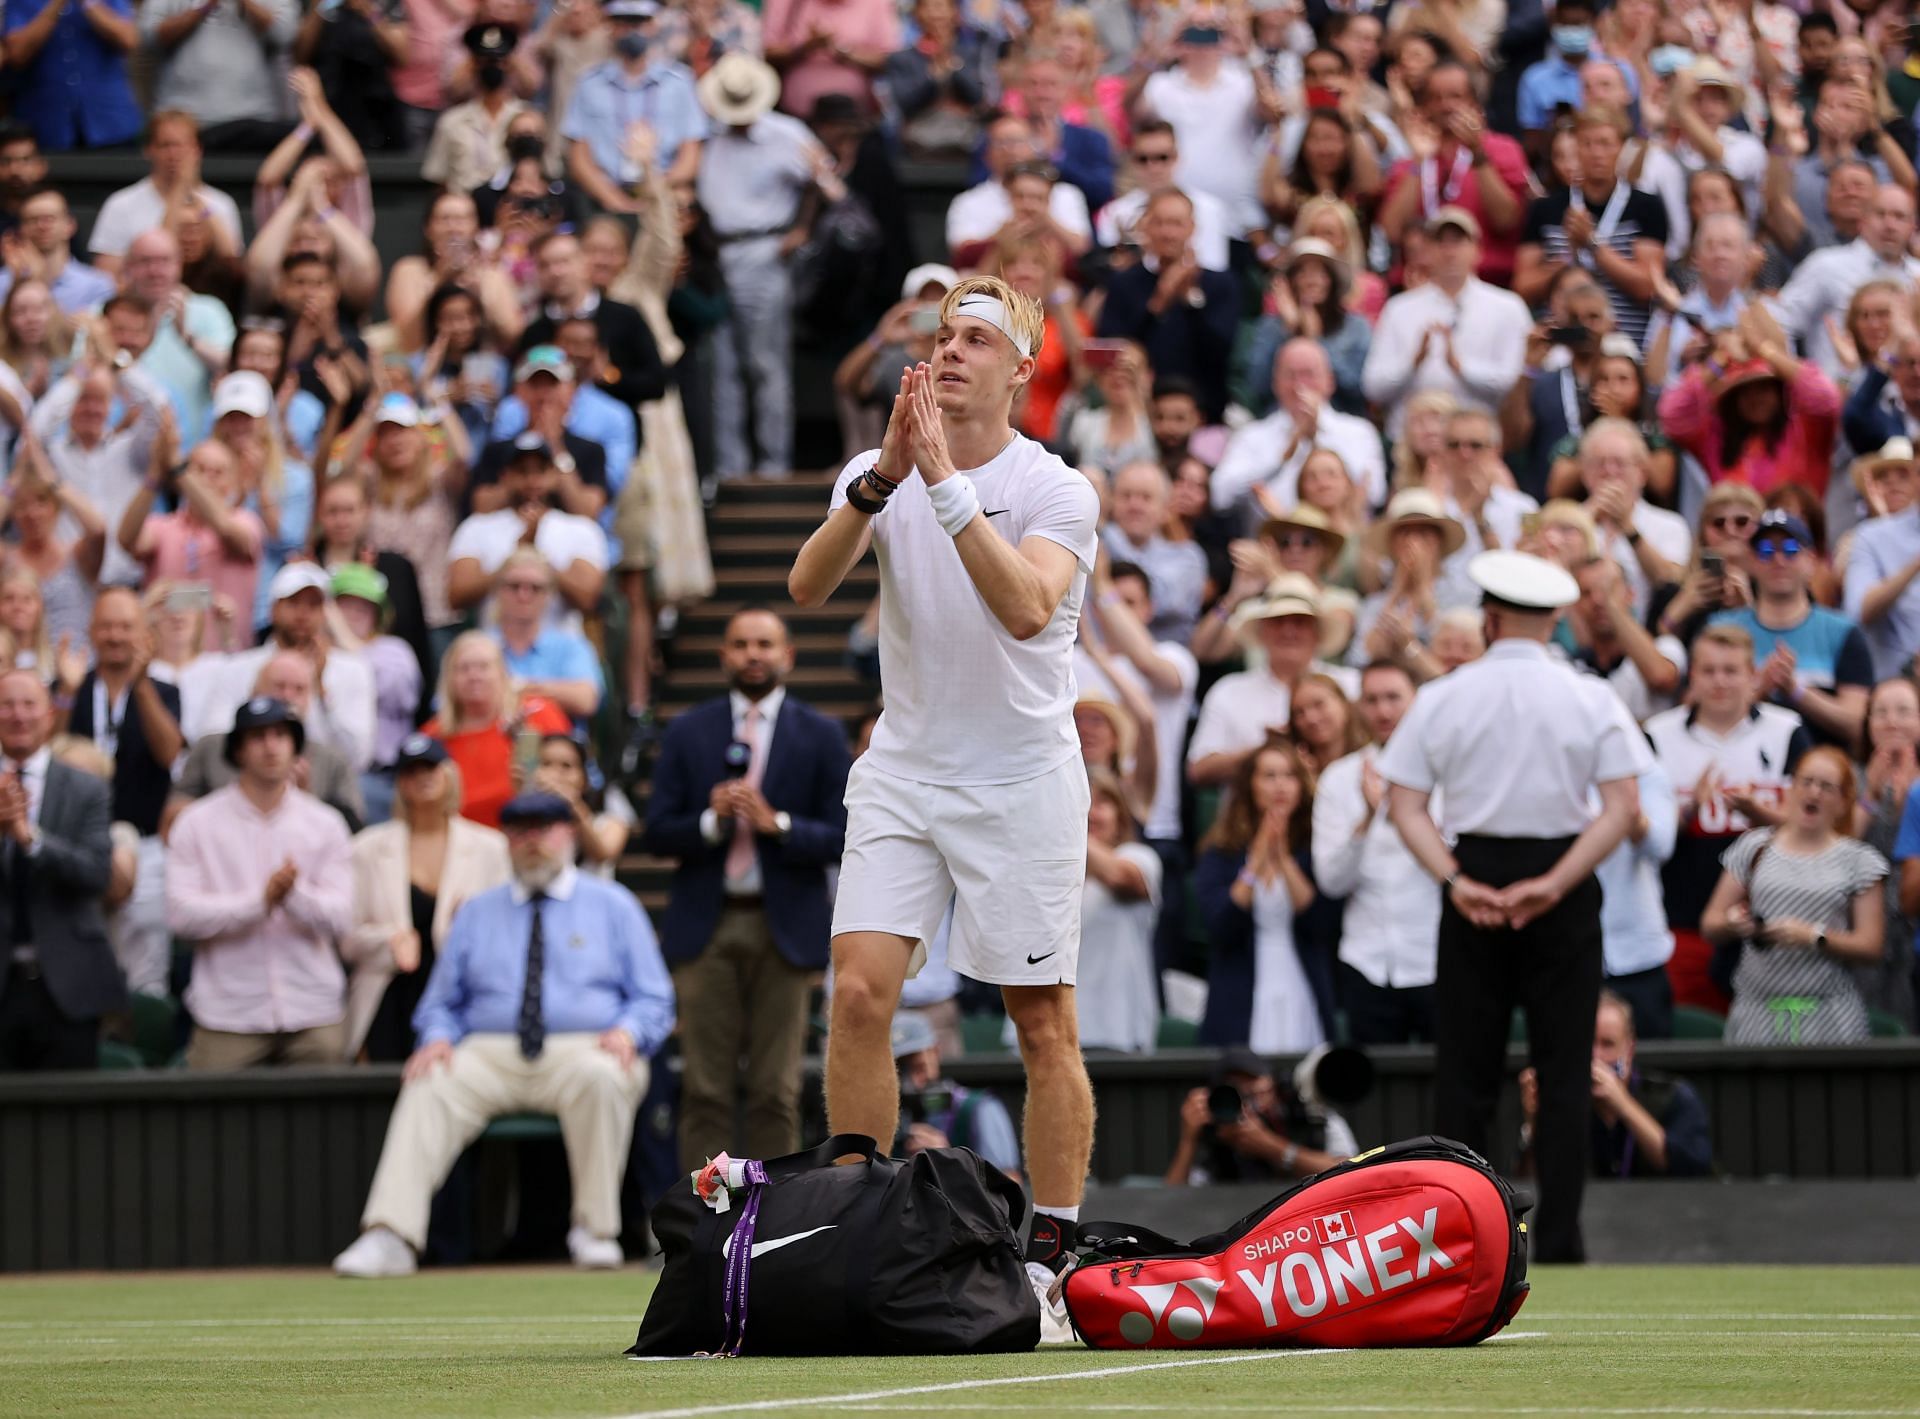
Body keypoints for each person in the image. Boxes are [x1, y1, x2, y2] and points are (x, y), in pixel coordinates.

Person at [788, 273, 1099, 1331]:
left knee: (1041, 1027)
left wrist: (941, 484)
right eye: (942, 335)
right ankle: (853, 1229)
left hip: (1022, 780)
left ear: (1021, 369)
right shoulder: (877, 473)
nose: (952, 351)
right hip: (904, 771)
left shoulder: (1060, 490)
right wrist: (883, 480)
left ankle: (1051, 1262)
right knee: (862, 995)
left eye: (977, 338)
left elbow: (1023, 607)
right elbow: (805, 587)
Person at [1383, 550, 1650, 1263]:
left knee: (1465, 1077)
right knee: (1564, 1075)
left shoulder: (1445, 694)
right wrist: (1556, 882)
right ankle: (1559, 1241)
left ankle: (1461, 1245)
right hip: (1557, 884)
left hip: (1477, 875)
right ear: (1556, 620)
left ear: (1490, 618)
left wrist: (1454, 879)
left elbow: (1402, 803)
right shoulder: (1589, 694)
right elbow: (1624, 805)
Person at [332, 788, 676, 1277]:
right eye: (520, 830)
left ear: (569, 834)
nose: (532, 840)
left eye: (545, 828)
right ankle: (390, 1234)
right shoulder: (477, 911)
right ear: (507, 839)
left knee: (604, 1076)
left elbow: (654, 998)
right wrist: (436, 1036)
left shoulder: (613, 904)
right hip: (489, 1052)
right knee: (429, 1080)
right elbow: (440, 1005)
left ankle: (594, 1230)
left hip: (586, 1049)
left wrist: (629, 1031)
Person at [642, 606, 851, 1169]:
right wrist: (709, 820)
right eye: (740, 644)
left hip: (784, 925)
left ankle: (773, 1227)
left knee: (775, 1089)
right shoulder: (688, 729)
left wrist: (776, 823)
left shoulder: (822, 733)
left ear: (788, 656)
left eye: (764, 644)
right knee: (705, 1089)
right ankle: (701, 1231)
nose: (753, 654)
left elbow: (844, 835)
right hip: (704, 925)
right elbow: (656, 831)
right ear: (723, 657)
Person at [166, 698, 353, 1068]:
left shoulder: (326, 823)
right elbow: (180, 917)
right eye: (258, 737)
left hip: (313, 1012)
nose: (271, 746)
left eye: (281, 735)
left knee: (330, 1119)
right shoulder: (197, 823)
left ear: (295, 746)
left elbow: (342, 917)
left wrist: (292, 896)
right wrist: (259, 902)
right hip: (228, 1015)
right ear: (238, 749)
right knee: (212, 1123)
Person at [1646, 622, 1811, 1014]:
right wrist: (1688, 811)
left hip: (1772, 929)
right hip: (1680, 924)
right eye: (1709, 670)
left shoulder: (1787, 731)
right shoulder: (1657, 736)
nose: (1720, 681)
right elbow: (1639, 831)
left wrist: (1762, 814)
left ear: (1752, 674)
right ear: (1693, 676)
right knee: (1693, 1040)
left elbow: (1818, 830)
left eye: (1731, 670)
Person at [696, 53, 844, 484]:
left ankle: (773, 468)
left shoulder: (786, 134)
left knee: (765, 363)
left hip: (765, 252)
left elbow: (827, 185)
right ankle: (730, 468)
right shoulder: (710, 137)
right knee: (723, 368)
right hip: (716, 256)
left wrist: (802, 227)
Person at [344, 735, 512, 1064]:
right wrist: (388, 942)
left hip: (463, 1000)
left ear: (449, 774)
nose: (423, 778)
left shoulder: (492, 848)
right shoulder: (366, 848)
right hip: (387, 999)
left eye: (431, 768)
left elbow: (509, 934)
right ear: (398, 783)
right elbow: (346, 938)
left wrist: (472, 926)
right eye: (411, 771)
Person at [1703, 747, 1887, 1046]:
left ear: (1843, 803)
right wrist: (1734, 923)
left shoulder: (1860, 861)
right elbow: (1710, 924)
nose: (1813, 793)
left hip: (1831, 1018)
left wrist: (1815, 936)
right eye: (1806, 782)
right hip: (1756, 1015)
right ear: (1791, 789)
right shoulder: (1754, 847)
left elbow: (1871, 946)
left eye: (1826, 787)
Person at [55, 589, 183, 1000]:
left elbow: (168, 753)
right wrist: (68, 693)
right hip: (74, 844)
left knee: (145, 962)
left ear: (143, 634)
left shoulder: (162, 689)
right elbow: (48, 749)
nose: (115, 636)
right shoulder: (72, 687)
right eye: (107, 626)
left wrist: (141, 686)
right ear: (91, 632)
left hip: (145, 844)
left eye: (126, 626)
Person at [1312, 660, 1438, 1046]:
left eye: (1393, 698)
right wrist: (1366, 820)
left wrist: (1415, 816)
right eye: (1372, 700)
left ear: (1415, 701)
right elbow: (1331, 883)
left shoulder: (1447, 771)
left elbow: (1460, 870)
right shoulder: (1339, 778)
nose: (1383, 711)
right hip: (1365, 961)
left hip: (1437, 957)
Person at [0, 669, 120, 1071]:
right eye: (7, 705)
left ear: (49, 714)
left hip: (67, 987)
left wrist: (29, 839)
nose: (18, 715)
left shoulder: (87, 788)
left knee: (72, 1125)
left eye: (29, 704)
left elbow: (96, 874)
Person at [1193, 739, 1330, 1053]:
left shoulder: (1316, 846)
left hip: (1301, 985)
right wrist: (1255, 862)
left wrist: (1282, 858)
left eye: (1289, 776)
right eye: (1269, 776)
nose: (1280, 785)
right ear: (1249, 786)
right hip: (1240, 990)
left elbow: (1320, 923)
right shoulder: (1221, 852)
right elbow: (1221, 926)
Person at [1361, 206, 1531, 442]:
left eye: (1458, 241)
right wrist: (1412, 363)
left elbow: (1514, 383)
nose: (1450, 251)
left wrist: (1462, 367)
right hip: (1410, 446)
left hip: (1479, 444)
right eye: (1441, 242)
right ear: (1427, 251)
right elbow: (1373, 386)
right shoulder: (1399, 309)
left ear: (1478, 250)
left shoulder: (1508, 308)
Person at [1709, 509, 1872, 755]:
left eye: (1791, 549)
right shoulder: (1722, 628)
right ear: (1752, 561)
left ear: (1812, 560)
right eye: (1766, 550)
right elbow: (1695, 709)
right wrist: (1757, 690)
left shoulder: (1842, 631)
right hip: (1737, 769)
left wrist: (1795, 690)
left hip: (1821, 774)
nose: (1778, 560)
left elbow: (1856, 724)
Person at [169, 649, 367, 834]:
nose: (287, 696)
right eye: (279, 686)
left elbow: (354, 832)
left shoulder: (332, 760)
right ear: (254, 691)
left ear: (310, 699)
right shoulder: (212, 747)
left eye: (299, 689)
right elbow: (173, 815)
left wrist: (305, 801)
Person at [1518, 992, 1713, 1179]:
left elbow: (1692, 1169)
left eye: (1608, 1044)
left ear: (1629, 1048)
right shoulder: (1563, 1101)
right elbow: (1530, 1186)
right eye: (1588, 1043)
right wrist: (1535, 1124)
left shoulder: (1672, 1096)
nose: (1596, 1057)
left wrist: (1622, 1103)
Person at [1377, 60, 1529, 286]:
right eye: (1435, 98)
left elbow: (1506, 220)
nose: (1445, 106)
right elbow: (1392, 231)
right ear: (1424, 106)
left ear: (1474, 103)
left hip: (1488, 282)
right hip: (1419, 284)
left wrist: (1478, 154)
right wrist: (1419, 162)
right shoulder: (1411, 160)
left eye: (1455, 96)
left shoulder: (1502, 149)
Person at [1094, 189, 1238, 421]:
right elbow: (1112, 351)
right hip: (1137, 410)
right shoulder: (1124, 283)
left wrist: (1191, 300)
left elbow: (1221, 352)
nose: (1167, 233)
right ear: (1145, 228)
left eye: (1175, 224)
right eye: (1159, 223)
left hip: (1202, 411)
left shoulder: (1219, 284)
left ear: (1192, 228)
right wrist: (1157, 305)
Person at [1210, 337, 1388, 520]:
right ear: (1275, 383)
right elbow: (1220, 496)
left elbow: (1375, 493)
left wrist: (1318, 435)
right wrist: (1282, 457)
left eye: (1308, 374)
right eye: (1290, 375)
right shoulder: (1251, 436)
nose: (1299, 385)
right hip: (1270, 542)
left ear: (1330, 381)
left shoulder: (1360, 431)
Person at [1186, 579, 1337, 787]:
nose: (1289, 631)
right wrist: (1265, 750)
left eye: (1300, 621)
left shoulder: (1349, 684)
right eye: (1278, 621)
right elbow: (1198, 770)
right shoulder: (1229, 690)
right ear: (1262, 631)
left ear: (1318, 632)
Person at [562, 0, 706, 209]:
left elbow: (690, 156)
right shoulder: (590, 83)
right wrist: (614, 200)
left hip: (664, 194)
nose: (630, 30)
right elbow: (579, 157)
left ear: (653, 25)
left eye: (638, 22)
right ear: (609, 25)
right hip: (605, 198)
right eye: (622, 22)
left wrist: (655, 190)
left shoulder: (678, 82)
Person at [422, 631, 571, 831]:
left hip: (533, 829)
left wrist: (524, 744)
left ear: (502, 672)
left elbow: (569, 776)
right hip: (463, 841)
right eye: (463, 669)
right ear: (449, 678)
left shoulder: (537, 712)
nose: (474, 676)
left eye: (483, 667)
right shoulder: (433, 736)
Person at [1164, 1045, 1355, 1186]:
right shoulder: (1216, 1136)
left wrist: (1273, 1148)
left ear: (1271, 1085)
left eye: (1254, 1085)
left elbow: (1352, 1174)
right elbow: (1170, 1205)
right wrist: (1189, 1140)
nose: (1250, 1102)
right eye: (1238, 1092)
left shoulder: (1310, 1114)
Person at [86, 112, 244, 274]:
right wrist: (180, 188)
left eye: (182, 145)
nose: (174, 154)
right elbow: (106, 275)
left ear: (197, 150)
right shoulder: (120, 204)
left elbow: (230, 260)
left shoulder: (221, 203)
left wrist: (196, 198)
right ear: (148, 150)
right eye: (166, 145)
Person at [1076, 767, 1160, 1053]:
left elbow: (1120, 878)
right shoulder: (1044, 867)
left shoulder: (1138, 857)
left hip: (1116, 1030)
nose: (1089, 813)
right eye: (1081, 801)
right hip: (1047, 1033)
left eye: (1101, 803)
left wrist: (1067, 824)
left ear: (1120, 813)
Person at [890, 1009, 1022, 1177]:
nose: (914, 1082)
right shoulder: (886, 1120)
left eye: (918, 1067)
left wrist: (951, 1161)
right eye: (901, 1072)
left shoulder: (976, 1109)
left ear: (935, 1052)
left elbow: (1010, 1188)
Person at [484, 550, 603, 722]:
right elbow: (448, 702)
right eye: (514, 586)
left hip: (557, 742)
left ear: (549, 595)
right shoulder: (479, 645)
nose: (524, 595)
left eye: (535, 588)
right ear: (497, 590)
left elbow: (586, 700)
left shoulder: (570, 646)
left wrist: (519, 688)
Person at [1569, 556, 1685, 725]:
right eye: (1587, 593)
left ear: (1631, 594)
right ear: (1576, 603)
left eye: (1607, 590)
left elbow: (1661, 678)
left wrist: (1614, 607)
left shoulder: (1666, 646)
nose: (1598, 600)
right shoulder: (1570, 665)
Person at [1844, 442, 1920, 681]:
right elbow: (1857, 613)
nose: (1893, 483)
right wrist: (1915, 564)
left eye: (1900, 474)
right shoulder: (1871, 536)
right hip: (1893, 692)